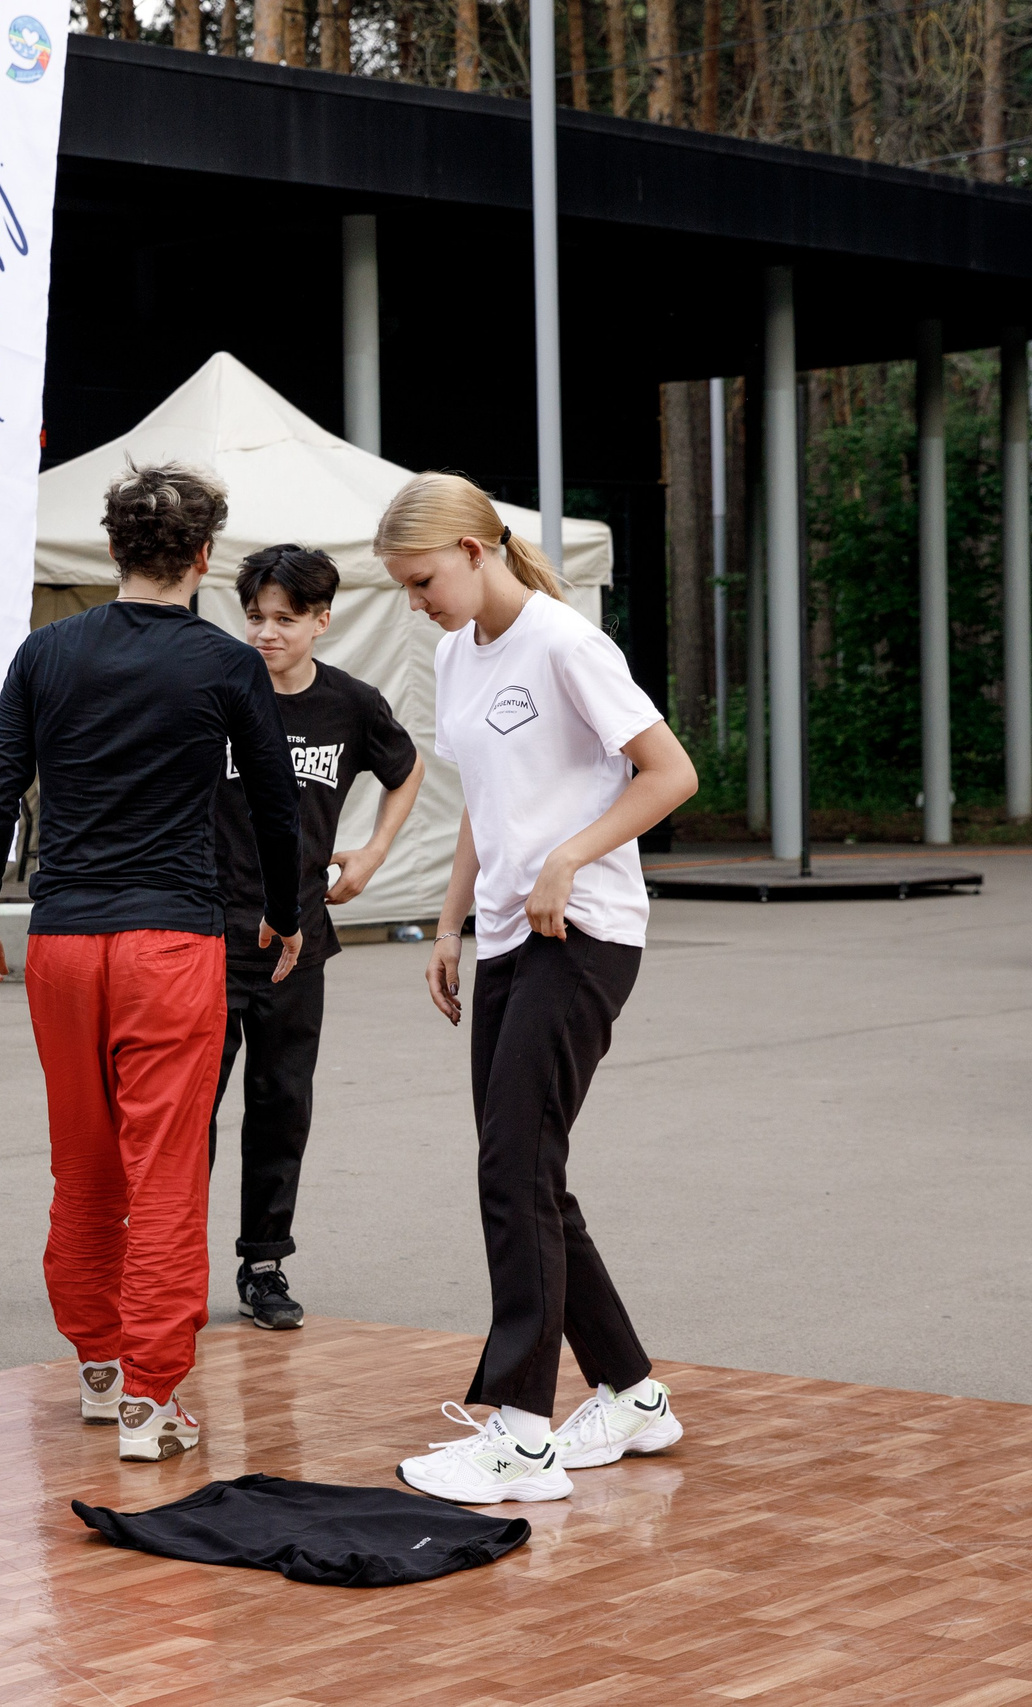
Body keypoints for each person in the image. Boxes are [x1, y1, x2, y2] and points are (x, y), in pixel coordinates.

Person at [0, 463, 303, 1464]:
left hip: (62, 938)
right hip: (170, 943)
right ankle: (153, 1400)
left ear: (112, 551)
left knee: (84, 1160)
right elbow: (274, 803)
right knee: (163, 1175)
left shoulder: (46, 652)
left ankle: (100, 1368)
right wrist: (282, 913)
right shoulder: (225, 664)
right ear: (203, 558)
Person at [376, 473, 696, 1505]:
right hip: (512, 938)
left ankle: (520, 1435)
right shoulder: (451, 651)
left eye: (421, 580)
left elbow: (668, 772)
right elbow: (485, 793)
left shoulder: (564, 642)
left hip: (586, 932)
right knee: (526, 1172)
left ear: (475, 551)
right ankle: (633, 1396)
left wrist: (569, 858)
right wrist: (449, 918)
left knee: (512, 1169)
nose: (414, 602)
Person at [208, 545, 422, 1330]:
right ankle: (162, 1267)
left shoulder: (351, 705)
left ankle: (264, 1264)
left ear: (322, 620)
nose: (267, 633)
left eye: (286, 620)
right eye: (256, 617)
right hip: (204, 935)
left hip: (297, 941)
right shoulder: (215, 693)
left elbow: (407, 769)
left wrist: (371, 852)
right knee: (190, 1108)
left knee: (280, 1100)